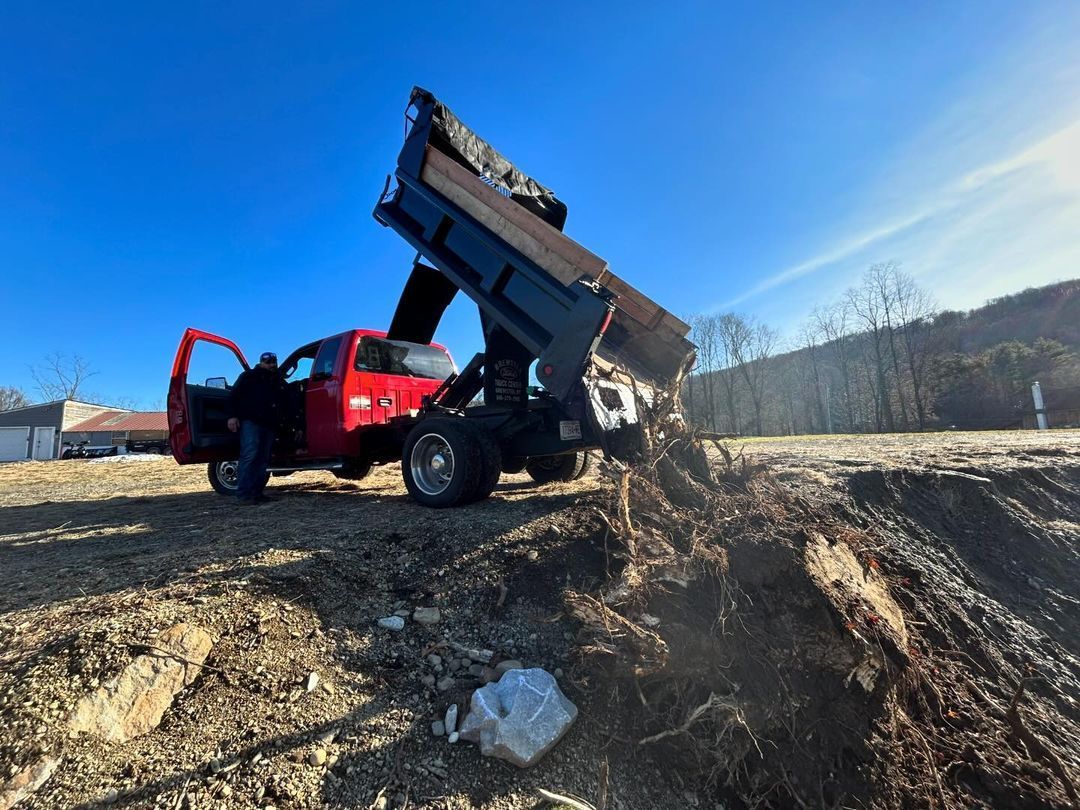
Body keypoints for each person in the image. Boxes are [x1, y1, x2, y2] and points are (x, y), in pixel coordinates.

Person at [227, 351, 286, 504]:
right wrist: (232, 416)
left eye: (274, 362)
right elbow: (234, 396)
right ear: (261, 362)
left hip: (270, 423)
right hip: (251, 421)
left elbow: (287, 401)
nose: (272, 365)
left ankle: (257, 493)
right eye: (268, 362)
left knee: (263, 459)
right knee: (250, 455)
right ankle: (243, 494)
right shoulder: (248, 377)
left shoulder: (278, 380)